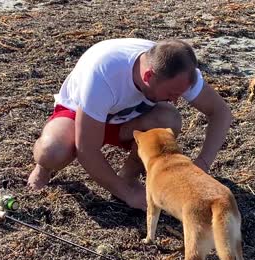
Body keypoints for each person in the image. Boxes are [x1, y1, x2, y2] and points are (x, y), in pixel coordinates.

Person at [27, 38, 234, 211]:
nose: (176, 100)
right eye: (171, 94)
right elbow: (86, 150)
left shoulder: (178, 71)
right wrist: (127, 196)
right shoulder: (102, 76)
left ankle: (128, 175)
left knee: (169, 120)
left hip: (127, 119)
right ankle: (43, 168)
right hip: (79, 115)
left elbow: (221, 113)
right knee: (52, 152)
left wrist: (202, 164)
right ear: (148, 76)